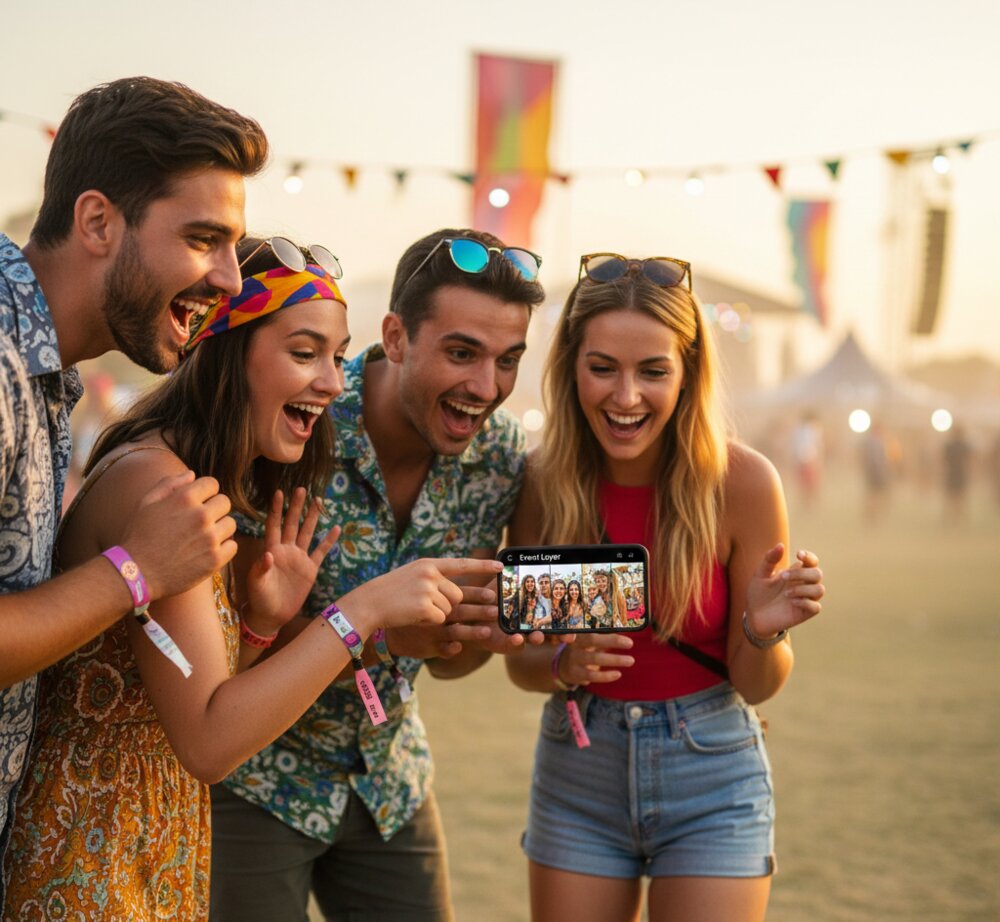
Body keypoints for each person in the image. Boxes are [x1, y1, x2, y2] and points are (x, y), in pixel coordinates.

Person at [2, 237, 501, 920]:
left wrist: (261, 624)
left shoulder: (198, 481)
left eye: (335, 354)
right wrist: (362, 611)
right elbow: (210, 742)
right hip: (91, 857)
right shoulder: (159, 486)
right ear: (228, 352)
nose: (332, 380)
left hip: (149, 842)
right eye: (304, 353)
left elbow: (192, 691)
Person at [210, 228, 547, 921]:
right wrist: (386, 637)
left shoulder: (503, 458)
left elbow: (449, 666)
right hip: (256, 781)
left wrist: (472, 636)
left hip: (390, 780)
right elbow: (230, 643)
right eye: (462, 353)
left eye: (508, 360)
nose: (487, 388)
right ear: (395, 337)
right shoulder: (294, 422)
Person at [0, 76, 268, 902]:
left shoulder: (43, 369)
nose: (228, 279)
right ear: (96, 221)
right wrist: (136, 569)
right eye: (202, 239)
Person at [506, 253, 825, 922]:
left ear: (687, 374)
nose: (626, 398)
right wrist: (564, 661)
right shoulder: (542, 480)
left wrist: (761, 632)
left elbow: (759, 683)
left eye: (652, 371)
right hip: (578, 773)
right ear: (571, 369)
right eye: (603, 369)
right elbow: (525, 666)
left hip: (713, 774)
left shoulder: (743, 483)